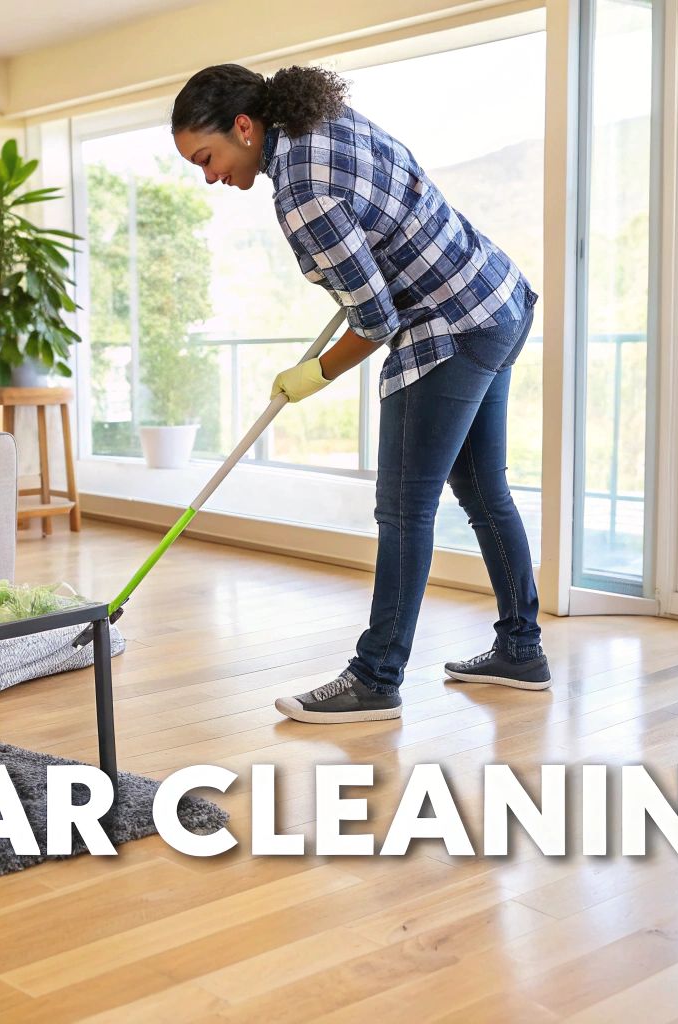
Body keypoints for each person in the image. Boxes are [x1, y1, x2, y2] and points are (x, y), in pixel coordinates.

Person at [171, 63, 549, 725]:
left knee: (404, 509)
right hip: (498, 301)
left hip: (451, 327)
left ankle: (375, 678)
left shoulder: (300, 190)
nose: (209, 176)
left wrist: (314, 374)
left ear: (243, 126)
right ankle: (522, 649)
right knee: (485, 492)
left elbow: (375, 319)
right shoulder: (324, 122)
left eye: (208, 158)